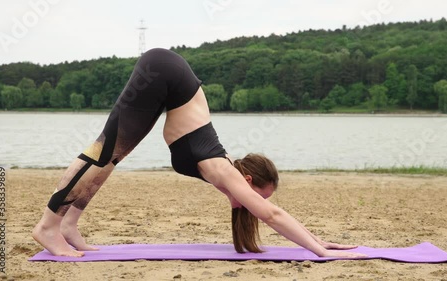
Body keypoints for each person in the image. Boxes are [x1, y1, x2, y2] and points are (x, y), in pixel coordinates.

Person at [32, 48, 366, 259]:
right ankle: (49, 226)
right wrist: (320, 250)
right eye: (257, 195)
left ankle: (69, 225)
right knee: (103, 149)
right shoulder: (223, 170)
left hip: (168, 80)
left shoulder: (219, 168)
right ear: (247, 179)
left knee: (111, 158)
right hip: (164, 71)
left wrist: (318, 239)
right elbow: (272, 215)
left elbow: (270, 211)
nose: (255, 204)